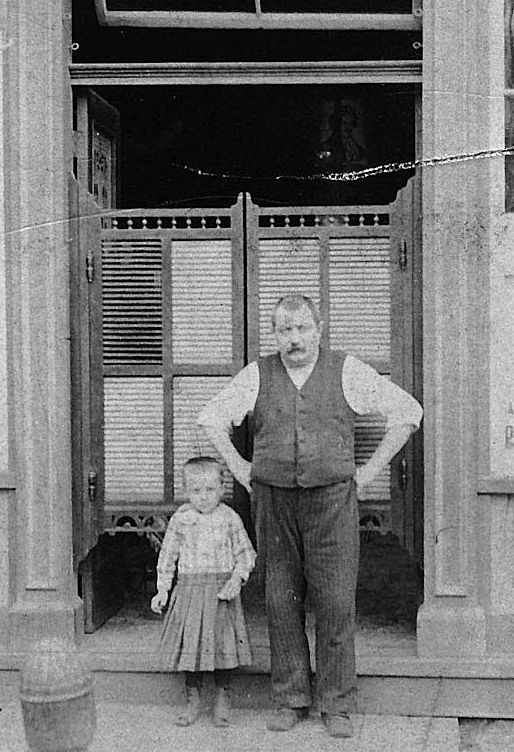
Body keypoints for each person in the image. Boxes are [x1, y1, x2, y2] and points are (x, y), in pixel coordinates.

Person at [197, 293, 422, 739]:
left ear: (319, 328)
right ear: (275, 333)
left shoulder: (347, 370)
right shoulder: (257, 375)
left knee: (335, 603)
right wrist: (240, 469)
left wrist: (368, 472)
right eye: (285, 330)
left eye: (302, 328)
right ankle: (290, 698)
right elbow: (210, 418)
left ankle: (336, 704)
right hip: (274, 503)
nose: (294, 339)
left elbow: (408, 412)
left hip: (332, 504)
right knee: (282, 602)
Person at [150, 456, 256, 729]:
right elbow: (168, 556)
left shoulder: (230, 518)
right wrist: (163, 589)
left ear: (222, 489)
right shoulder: (182, 519)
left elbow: (246, 554)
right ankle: (193, 698)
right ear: (187, 491)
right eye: (196, 491)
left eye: (210, 490)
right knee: (192, 645)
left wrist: (237, 578)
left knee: (222, 645)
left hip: (221, 592)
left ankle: (222, 697)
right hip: (190, 592)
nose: (204, 497)